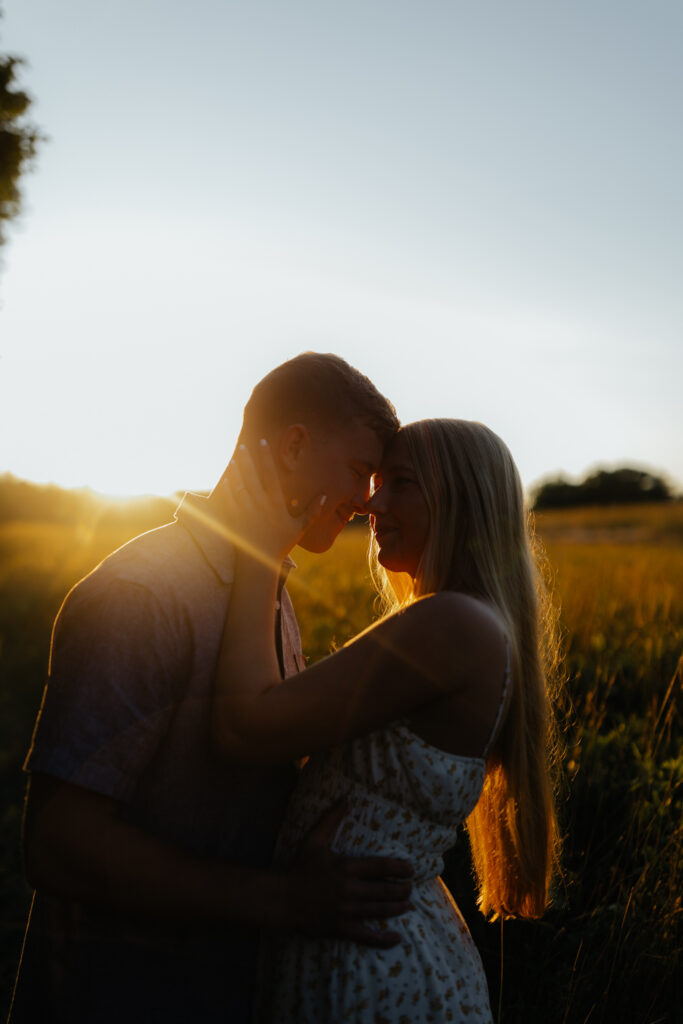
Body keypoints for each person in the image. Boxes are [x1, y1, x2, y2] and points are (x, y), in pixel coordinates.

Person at [8, 353, 412, 1024]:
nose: (367, 498)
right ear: (293, 445)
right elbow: (58, 843)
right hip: (119, 994)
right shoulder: (143, 594)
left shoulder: (267, 592)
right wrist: (281, 900)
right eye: (358, 470)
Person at [212, 418, 562, 1023]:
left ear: (460, 500)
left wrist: (258, 551)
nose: (371, 501)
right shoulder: (462, 623)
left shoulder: (451, 624)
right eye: (375, 481)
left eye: (400, 482)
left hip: (374, 971)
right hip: (375, 952)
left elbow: (247, 725)